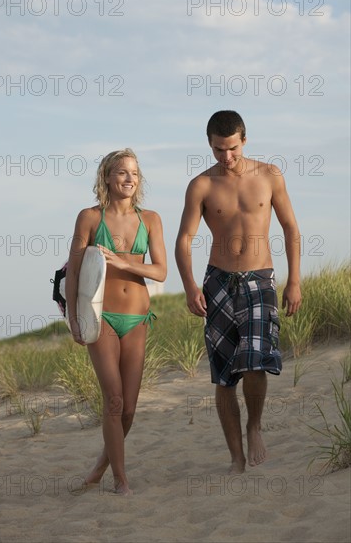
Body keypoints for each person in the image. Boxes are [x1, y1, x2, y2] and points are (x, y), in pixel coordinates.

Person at [175, 111, 301, 474]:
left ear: (244, 140)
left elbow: (291, 228)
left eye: (231, 148)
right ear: (209, 144)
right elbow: (184, 240)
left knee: (256, 361)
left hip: (260, 279)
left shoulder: (269, 175)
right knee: (224, 374)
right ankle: (235, 456)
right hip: (218, 282)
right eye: (217, 149)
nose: (225, 157)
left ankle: (255, 425)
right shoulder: (201, 185)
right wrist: (189, 287)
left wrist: (294, 281)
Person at [66, 148, 167, 495]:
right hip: (101, 317)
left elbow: (160, 270)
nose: (129, 178)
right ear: (107, 176)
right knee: (113, 400)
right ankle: (120, 479)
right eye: (122, 172)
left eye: (135, 174)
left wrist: (123, 263)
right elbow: (75, 270)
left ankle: (100, 465)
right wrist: (73, 319)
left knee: (130, 408)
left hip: (137, 317)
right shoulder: (89, 218)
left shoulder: (150, 219)